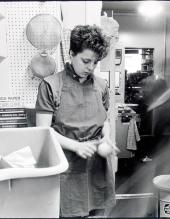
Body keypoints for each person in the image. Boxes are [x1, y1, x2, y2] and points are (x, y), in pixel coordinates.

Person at [35, 25, 117, 217]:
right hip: (68, 167)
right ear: (72, 53)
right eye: (86, 61)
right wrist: (75, 146)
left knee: (98, 213)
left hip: (98, 167)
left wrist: (107, 137)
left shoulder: (101, 85)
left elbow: (105, 121)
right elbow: (43, 130)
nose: (91, 68)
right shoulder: (50, 85)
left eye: (95, 63)